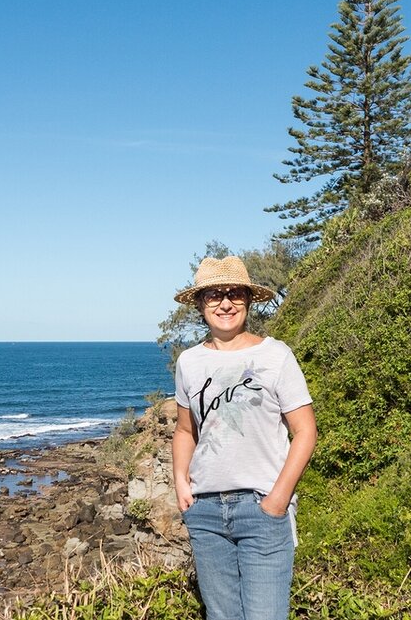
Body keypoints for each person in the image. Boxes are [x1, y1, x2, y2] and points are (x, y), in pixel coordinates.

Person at [171, 255, 317, 620]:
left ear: (249, 300)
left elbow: (305, 431)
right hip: (205, 511)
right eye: (214, 295)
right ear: (200, 304)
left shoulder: (276, 355)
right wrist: (180, 483)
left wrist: (278, 500)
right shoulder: (189, 362)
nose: (225, 303)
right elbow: (185, 430)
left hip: (262, 508)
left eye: (235, 293)